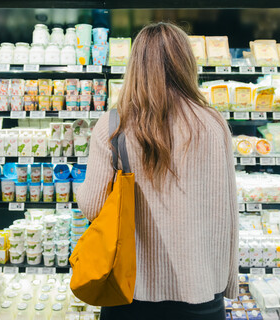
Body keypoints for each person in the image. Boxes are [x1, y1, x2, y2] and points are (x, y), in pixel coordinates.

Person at [76, 22, 238, 320]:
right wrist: (228, 281)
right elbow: (229, 209)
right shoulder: (214, 124)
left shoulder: (115, 124)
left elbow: (92, 207)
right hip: (200, 290)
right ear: (186, 64)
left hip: (129, 289)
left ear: (134, 65)